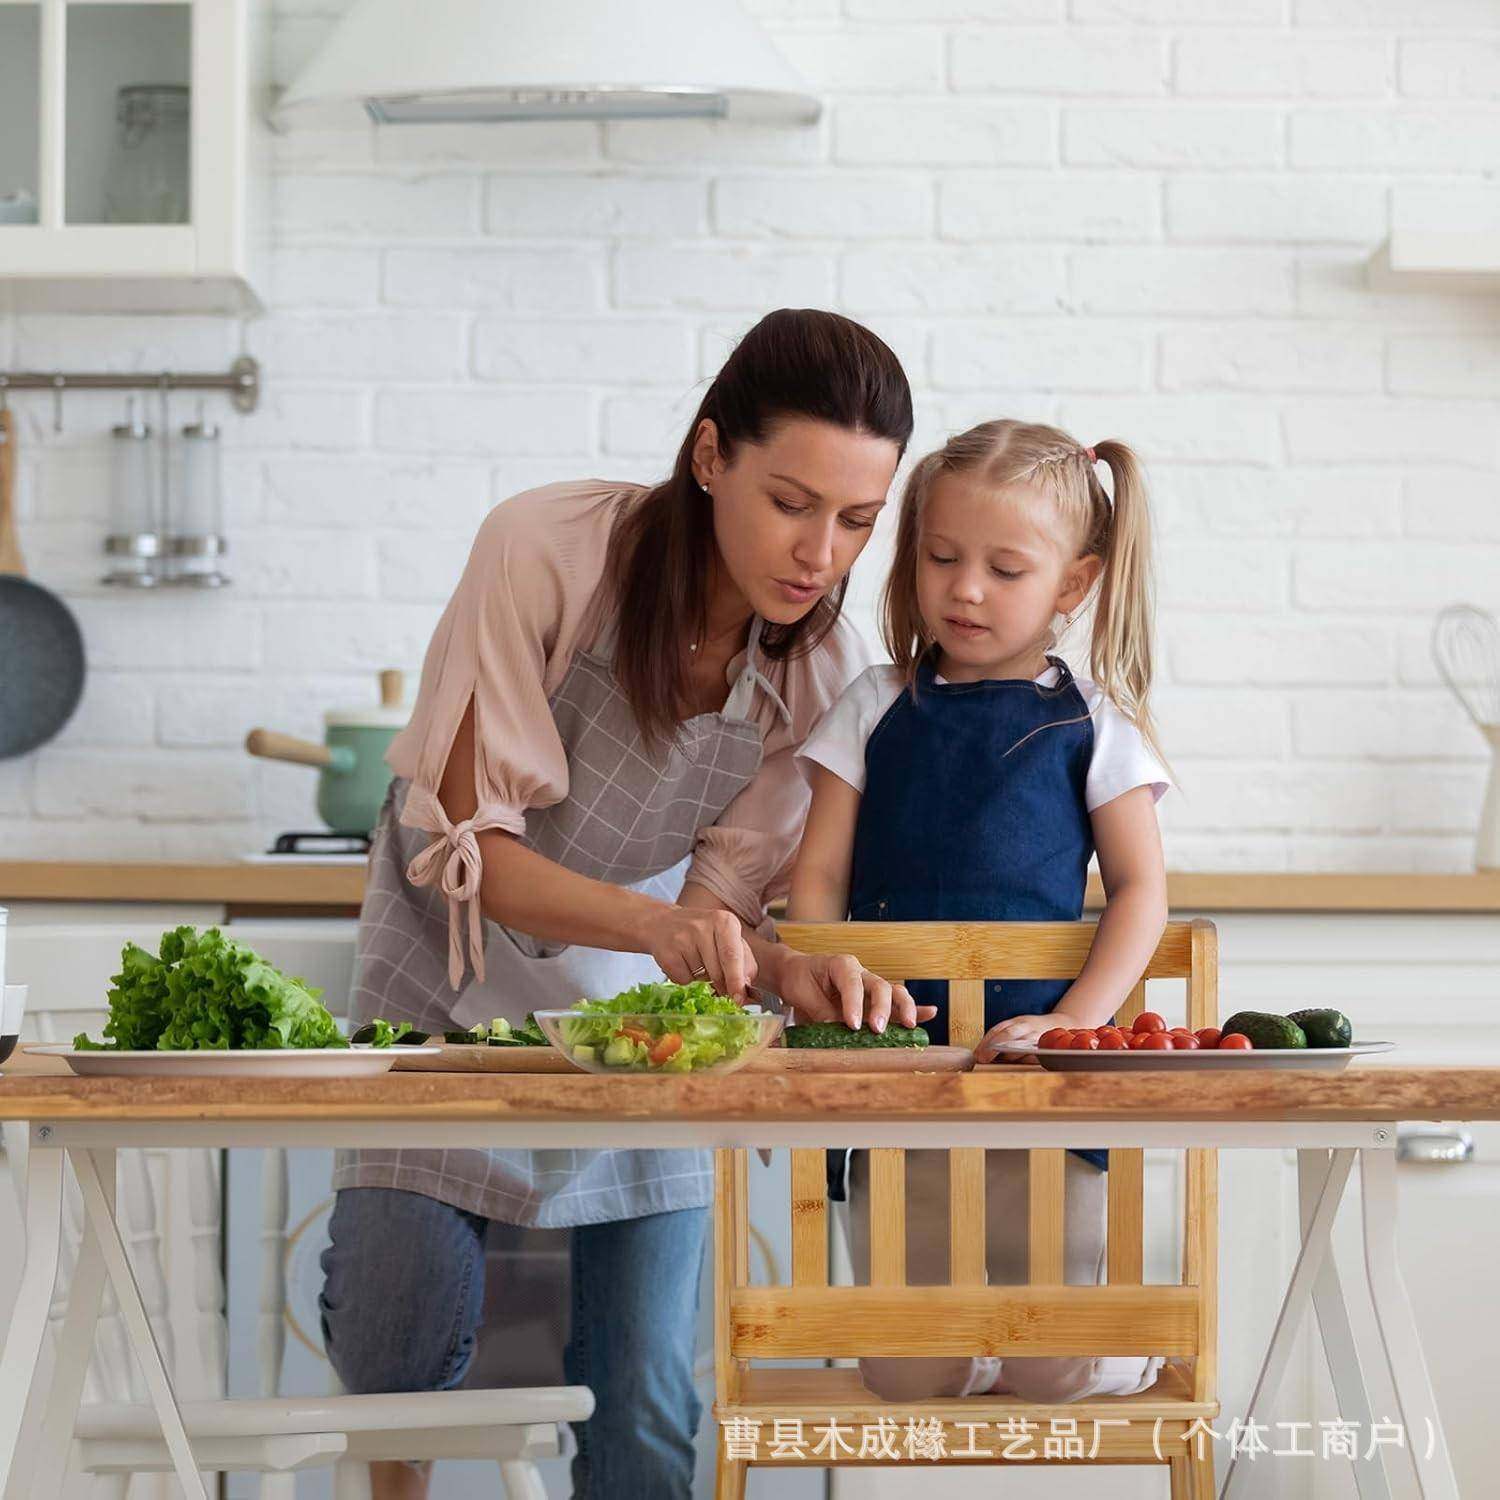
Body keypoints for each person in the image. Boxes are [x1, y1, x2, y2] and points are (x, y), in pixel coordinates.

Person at [318, 309, 933, 1499]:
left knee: (646, 1404)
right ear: (710, 456)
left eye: (858, 520)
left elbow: (721, 907)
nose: (820, 553)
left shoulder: (820, 670)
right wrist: (661, 926)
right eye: (791, 502)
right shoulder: (545, 548)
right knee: (398, 1342)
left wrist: (790, 969)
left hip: (633, 1020)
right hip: (445, 977)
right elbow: (473, 852)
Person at [787, 418, 1173, 1404]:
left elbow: (1140, 890)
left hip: (1040, 1090)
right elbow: (817, 877)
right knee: (905, 1372)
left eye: (1005, 570)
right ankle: (968, 1355)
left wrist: (1074, 1024)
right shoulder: (873, 704)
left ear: (1073, 584)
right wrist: (821, 988)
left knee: (1055, 1367)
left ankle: (1117, 1349)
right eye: (942, 558)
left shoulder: (1093, 720)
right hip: (899, 1078)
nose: (965, 589)